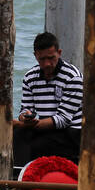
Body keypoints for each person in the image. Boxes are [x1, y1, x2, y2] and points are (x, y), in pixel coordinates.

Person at [13, 31, 83, 166]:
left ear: (59, 53)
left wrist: (21, 124)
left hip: (71, 133)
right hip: (46, 130)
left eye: (51, 58)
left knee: (37, 144)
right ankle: (18, 175)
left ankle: (25, 176)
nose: (47, 64)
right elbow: (25, 108)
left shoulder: (72, 77)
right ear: (35, 56)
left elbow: (63, 120)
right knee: (17, 135)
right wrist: (25, 117)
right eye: (42, 59)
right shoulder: (30, 77)